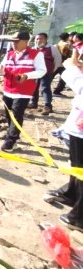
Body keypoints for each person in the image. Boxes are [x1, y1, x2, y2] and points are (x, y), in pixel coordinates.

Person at [43, 52, 83, 232]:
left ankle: (80, 217)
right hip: (78, 127)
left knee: (81, 168)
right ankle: (72, 193)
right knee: (76, 166)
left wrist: (72, 68)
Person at [0, 32, 47, 152]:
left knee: (16, 114)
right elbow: (1, 67)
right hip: (8, 90)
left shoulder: (36, 54)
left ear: (25, 42)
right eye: (12, 41)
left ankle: (10, 140)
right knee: (9, 114)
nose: (13, 44)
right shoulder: (9, 54)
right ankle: (13, 133)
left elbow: (42, 71)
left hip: (23, 91)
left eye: (16, 41)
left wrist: (27, 75)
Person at [28, 33, 62, 115]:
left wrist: (53, 70)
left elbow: (57, 60)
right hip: (35, 72)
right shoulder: (34, 48)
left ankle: (48, 106)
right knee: (34, 87)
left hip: (47, 72)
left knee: (45, 88)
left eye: (41, 38)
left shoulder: (52, 48)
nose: (39, 40)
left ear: (46, 39)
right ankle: (33, 103)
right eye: (37, 39)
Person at [53, 32, 72, 96]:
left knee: (51, 76)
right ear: (67, 37)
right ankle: (57, 91)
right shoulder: (67, 44)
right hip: (63, 63)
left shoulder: (58, 43)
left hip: (56, 62)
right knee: (64, 78)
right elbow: (67, 54)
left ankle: (43, 89)